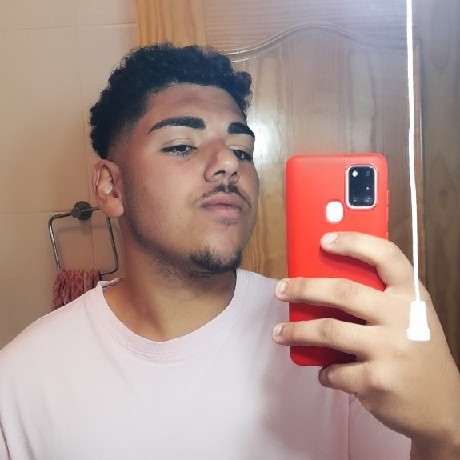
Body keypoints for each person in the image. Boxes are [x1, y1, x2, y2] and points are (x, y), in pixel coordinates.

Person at [0, 44, 459, 460]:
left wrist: (447, 432)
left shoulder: (338, 341)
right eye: (182, 145)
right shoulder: (22, 380)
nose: (227, 164)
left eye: (242, 150)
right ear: (111, 187)